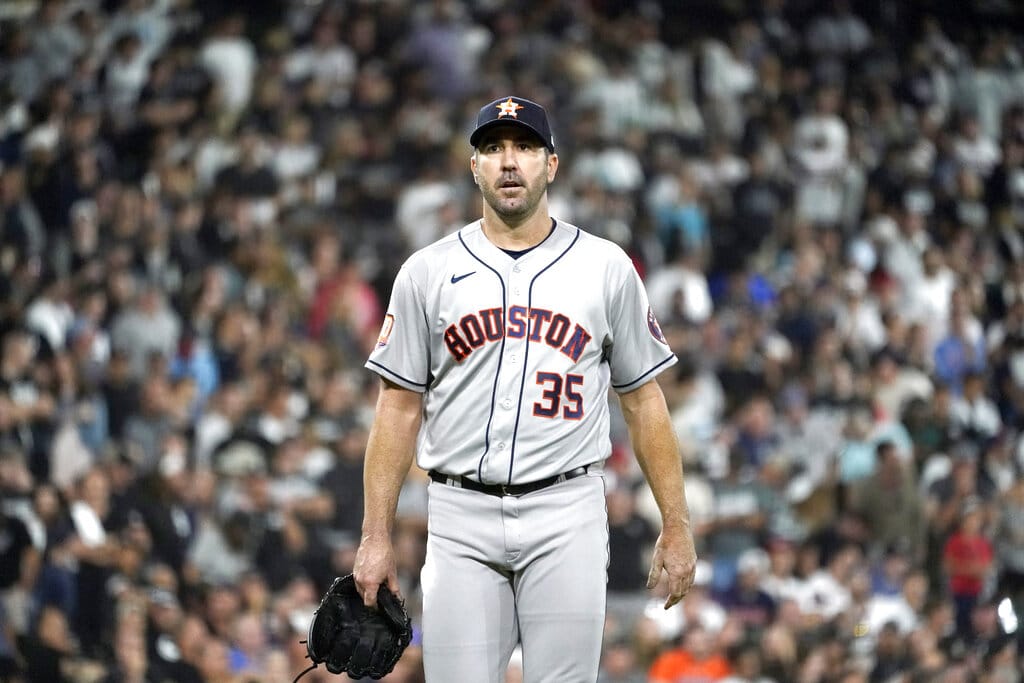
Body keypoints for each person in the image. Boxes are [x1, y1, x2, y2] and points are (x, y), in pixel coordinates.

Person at [352, 95, 698, 682]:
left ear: (552, 164)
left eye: (524, 147)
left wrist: (677, 523)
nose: (508, 162)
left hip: (567, 512)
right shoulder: (427, 271)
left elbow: (644, 401)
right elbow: (396, 410)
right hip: (459, 514)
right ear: (474, 168)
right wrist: (374, 535)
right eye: (492, 149)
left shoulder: (605, 266)